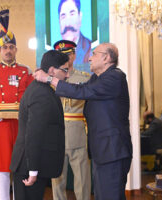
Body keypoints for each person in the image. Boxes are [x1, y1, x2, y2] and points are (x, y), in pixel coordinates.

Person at [34, 43, 133, 200]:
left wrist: (48, 79)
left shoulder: (115, 76)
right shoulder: (97, 78)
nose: (89, 58)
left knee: (111, 196)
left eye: (94, 54)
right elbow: (78, 88)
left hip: (112, 151)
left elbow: (83, 91)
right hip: (103, 150)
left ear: (106, 58)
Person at [0, 9, 33, 200]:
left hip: (21, 124)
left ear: (16, 49)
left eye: (11, 46)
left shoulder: (26, 71)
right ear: (0, 50)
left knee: (20, 166)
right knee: (2, 168)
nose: (8, 50)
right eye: (5, 47)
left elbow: (32, 98)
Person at [10, 50, 68, 200]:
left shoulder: (43, 89)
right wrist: (33, 170)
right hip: (29, 166)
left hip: (33, 164)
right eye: (65, 70)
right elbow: (34, 134)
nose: (67, 75)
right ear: (52, 71)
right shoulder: (41, 93)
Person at [51, 40, 91, 200]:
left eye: (67, 55)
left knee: (82, 180)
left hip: (78, 133)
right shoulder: (49, 80)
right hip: (56, 134)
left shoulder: (85, 78)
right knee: (57, 180)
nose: (65, 59)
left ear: (73, 56)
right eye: (61, 56)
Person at [58, 0, 91, 72]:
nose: (67, 23)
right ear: (59, 21)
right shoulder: (54, 53)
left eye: (72, 14)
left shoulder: (91, 49)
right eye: (63, 16)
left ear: (80, 17)